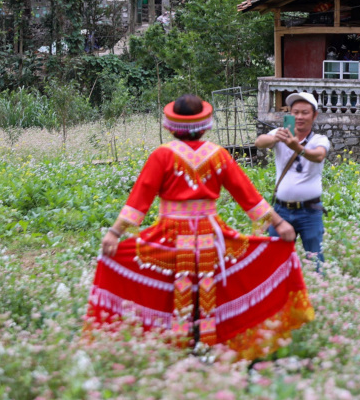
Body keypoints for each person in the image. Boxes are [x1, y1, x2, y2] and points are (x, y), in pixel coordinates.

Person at [87, 95, 313, 358]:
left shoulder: (162, 155)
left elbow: (140, 201)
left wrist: (115, 233)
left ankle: (174, 345)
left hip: (170, 236)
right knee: (211, 286)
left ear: (171, 126)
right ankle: (207, 342)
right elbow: (248, 196)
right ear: (205, 125)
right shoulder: (218, 155)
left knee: (172, 285)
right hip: (210, 236)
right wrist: (279, 223)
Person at [254, 92, 332, 267]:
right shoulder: (280, 134)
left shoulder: (320, 139)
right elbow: (259, 141)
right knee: (275, 261)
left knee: (315, 261)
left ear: (314, 115)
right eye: (295, 112)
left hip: (310, 211)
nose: (299, 116)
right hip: (281, 210)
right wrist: (275, 138)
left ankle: (318, 291)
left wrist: (297, 147)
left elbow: (318, 156)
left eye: (305, 112)